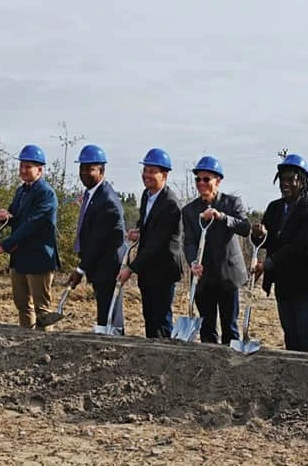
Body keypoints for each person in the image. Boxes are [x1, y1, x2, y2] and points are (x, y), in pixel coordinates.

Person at [251, 154, 308, 354]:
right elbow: (267, 241)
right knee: (291, 335)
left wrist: (267, 264)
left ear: (302, 182)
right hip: (285, 284)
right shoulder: (274, 208)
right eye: (282, 179)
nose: (285, 184)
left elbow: (298, 247)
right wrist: (257, 235)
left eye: (291, 179)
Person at [0, 144, 60, 330]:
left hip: (39, 258)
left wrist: (4, 246)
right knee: (22, 305)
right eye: (22, 166)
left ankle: (46, 343)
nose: (23, 170)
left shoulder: (46, 194)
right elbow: (17, 218)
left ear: (40, 170)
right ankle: (26, 341)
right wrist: (5, 216)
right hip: (19, 258)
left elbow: (32, 224)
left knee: (42, 309)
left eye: (28, 167)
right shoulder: (21, 191)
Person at [117, 148, 186, 338]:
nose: (146, 175)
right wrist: (139, 231)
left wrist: (130, 269)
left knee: (161, 318)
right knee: (149, 316)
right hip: (148, 269)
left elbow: (157, 243)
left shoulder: (170, 204)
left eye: (152, 171)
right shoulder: (147, 195)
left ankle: (164, 357)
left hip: (164, 269)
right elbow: (148, 223)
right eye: (145, 170)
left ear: (164, 175)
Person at [182, 155, 250, 344]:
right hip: (204, 277)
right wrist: (193, 263)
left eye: (206, 179)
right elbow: (189, 242)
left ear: (218, 181)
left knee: (230, 326)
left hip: (228, 274)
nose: (201, 183)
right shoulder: (189, 210)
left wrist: (221, 217)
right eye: (198, 179)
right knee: (207, 327)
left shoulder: (232, 203)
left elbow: (245, 228)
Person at [67, 144, 126, 329]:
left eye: (89, 169)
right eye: (82, 168)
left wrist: (80, 269)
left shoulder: (106, 200)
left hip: (107, 265)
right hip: (99, 264)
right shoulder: (92, 195)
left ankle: (113, 346)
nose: (84, 173)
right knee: (104, 310)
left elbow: (98, 241)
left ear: (101, 171)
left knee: (109, 313)